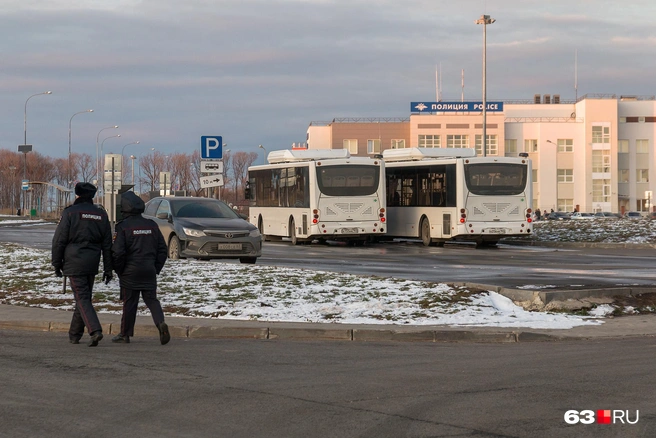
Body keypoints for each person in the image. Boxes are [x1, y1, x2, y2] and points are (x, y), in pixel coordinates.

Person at [52, 182, 113, 347]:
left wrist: (56, 264)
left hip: (73, 261)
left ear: (77, 195)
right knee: (83, 298)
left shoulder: (70, 213)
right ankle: (74, 334)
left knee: (82, 298)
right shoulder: (101, 214)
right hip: (92, 263)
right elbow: (107, 245)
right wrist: (108, 269)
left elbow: (59, 240)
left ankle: (95, 330)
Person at [111, 191, 170, 345]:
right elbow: (163, 250)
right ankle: (160, 323)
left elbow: (117, 253)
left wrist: (120, 270)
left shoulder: (123, 227)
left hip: (130, 272)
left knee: (130, 303)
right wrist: (155, 268)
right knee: (152, 300)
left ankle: (125, 334)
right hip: (149, 270)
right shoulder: (152, 225)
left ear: (124, 209)